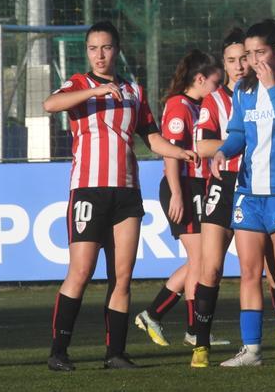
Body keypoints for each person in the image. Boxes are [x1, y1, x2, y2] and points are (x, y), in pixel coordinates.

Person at [43, 21, 196, 371]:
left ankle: (115, 353)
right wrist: (94, 93)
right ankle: (59, 352)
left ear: (117, 50)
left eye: (107, 47)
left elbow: (153, 138)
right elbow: (51, 104)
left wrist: (179, 152)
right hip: (88, 190)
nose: (100, 55)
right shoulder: (79, 84)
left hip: (126, 192)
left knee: (122, 276)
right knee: (80, 271)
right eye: (94, 48)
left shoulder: (134, 92)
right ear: (87, 52)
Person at [211, 19, 275, 367]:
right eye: (249, 53)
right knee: (249, 273)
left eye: (260, 52)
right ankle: (251, 349)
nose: (252, 61)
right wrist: (225, 150)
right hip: (249, 193)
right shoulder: (242, 91)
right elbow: (238, 132)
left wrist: (272, 84)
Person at [134, 50, 222, 346]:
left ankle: (160, 317)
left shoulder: (198, 106)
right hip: (183, 186)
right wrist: (176, 193)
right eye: (215, 81)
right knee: (199, 259)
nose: (218, 88)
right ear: (200, 79)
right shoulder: (178, 106)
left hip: (196, 186)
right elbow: (171, 153)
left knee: (200, 260)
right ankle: (194, 331)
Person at [188, 28, 248, 367]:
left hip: (259, 186)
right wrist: (238, 143)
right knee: (210, 268)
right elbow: (202, 146)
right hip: (224, 184)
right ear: (223, 64)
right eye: (231, 60)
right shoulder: (214, 100)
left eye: (243, 58)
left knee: (267, 269)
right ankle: (201, 344)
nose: (238, 66)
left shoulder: (265, 94)